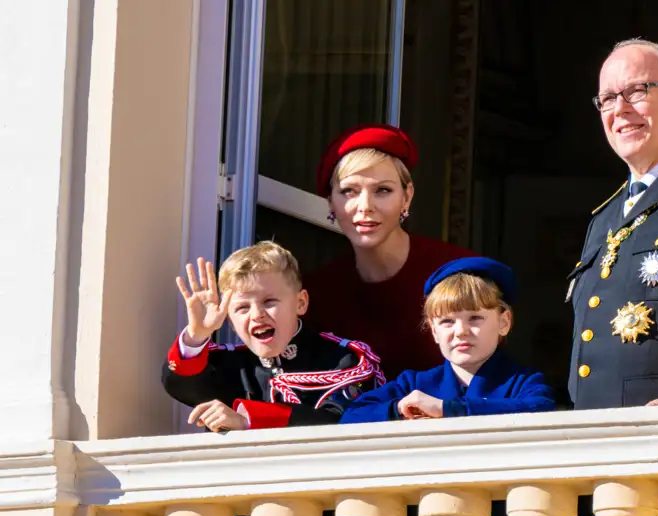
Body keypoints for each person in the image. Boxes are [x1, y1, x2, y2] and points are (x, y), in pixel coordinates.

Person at [566, 39, 658, 410]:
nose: (620, 110)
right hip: (596, 438)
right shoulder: (604, 217)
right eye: (607, 99)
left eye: (636, 91)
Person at [303, 124, 476, 381]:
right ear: (330, 202)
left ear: (407, 197)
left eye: (382, 190)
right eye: (349, 191)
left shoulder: (459, 271)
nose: (365, 206)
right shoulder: (315, 294)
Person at [162, 241, 384, 432]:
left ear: (301, 303)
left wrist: (247, 419)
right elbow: (182, 385)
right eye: (241, 308)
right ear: (229, 319)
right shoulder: (230, 365)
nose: (257, 314)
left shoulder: (342, 361)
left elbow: (340, 421)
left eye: (269, 302)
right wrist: (197, 336)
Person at [340, 257, 554, 424]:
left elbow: (541, 411)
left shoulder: (524, 383)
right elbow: (351, 416)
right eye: (447, 321)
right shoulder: (414, 385)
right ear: (434, 330)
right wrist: (398, 407)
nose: (461, 331)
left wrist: (448, 409)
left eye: (475, 318)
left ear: (504, 322)